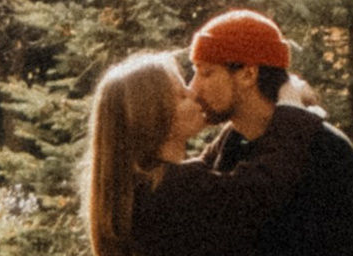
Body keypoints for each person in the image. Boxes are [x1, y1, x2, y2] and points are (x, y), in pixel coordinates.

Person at [83, 47, 323, 256]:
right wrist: (291, 110)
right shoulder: (173, 189)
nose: (194, 93)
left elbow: (208, 161)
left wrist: (240, 116)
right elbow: (263, 185)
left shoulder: (142, 187)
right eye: (180, 95)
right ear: (154, 120)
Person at [189, 11, 353, 256]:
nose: (193, 87)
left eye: (206, 73)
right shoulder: (228, 148)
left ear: (248, 74)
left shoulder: (327, 151)